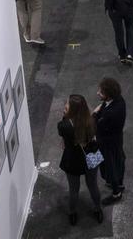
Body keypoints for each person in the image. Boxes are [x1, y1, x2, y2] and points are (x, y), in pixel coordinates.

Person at [57, 94, 104, 226]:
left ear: (72, 110)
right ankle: (98, 209)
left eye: (67, 105)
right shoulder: (91, 121)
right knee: (93, 185)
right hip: (92, 156)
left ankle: (72, 213)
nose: (65, 106)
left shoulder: (64, 126)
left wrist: (65, 115)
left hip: (73, 160)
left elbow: (63, 131)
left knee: (73, 189)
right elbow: (92, 119)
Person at [94, 77, 127, 204]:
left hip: (107, 143)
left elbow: (96, 123)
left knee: (110, 167)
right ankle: (120, 184)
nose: (98, 93)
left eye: (101, 92)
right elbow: (103, 106)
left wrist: (95, 113)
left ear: (108, 95)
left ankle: (116, 193)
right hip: (116, 139)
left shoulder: (110, 114)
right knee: (119, 160)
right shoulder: (119, 100)